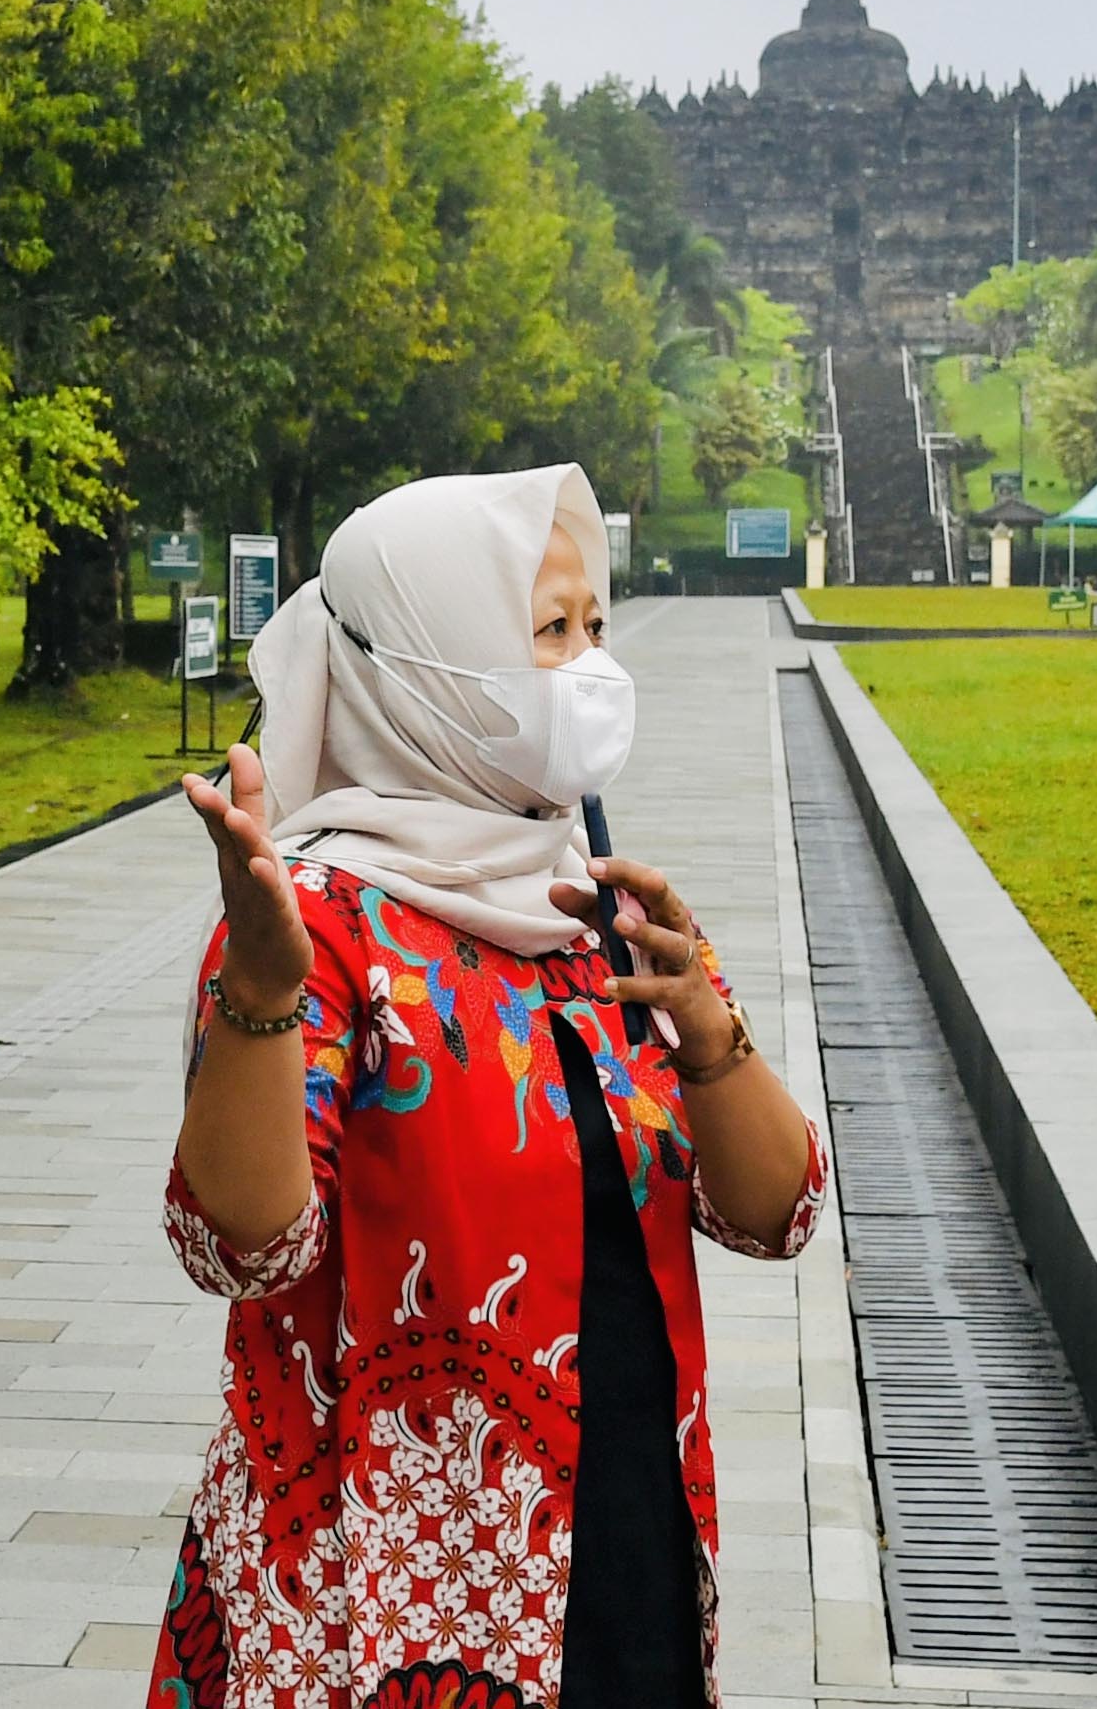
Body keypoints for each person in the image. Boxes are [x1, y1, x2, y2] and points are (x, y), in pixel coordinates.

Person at [153, 465, 826, 1709]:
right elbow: (242, 1246)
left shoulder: (601, 911)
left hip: (627, 1554)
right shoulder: (322, 921)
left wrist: (711, 1035)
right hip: (385, 1589)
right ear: (427, 664)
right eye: (549, 632)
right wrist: (259, 986)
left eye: (596, 628)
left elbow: (777, 1215)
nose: (589, 668)